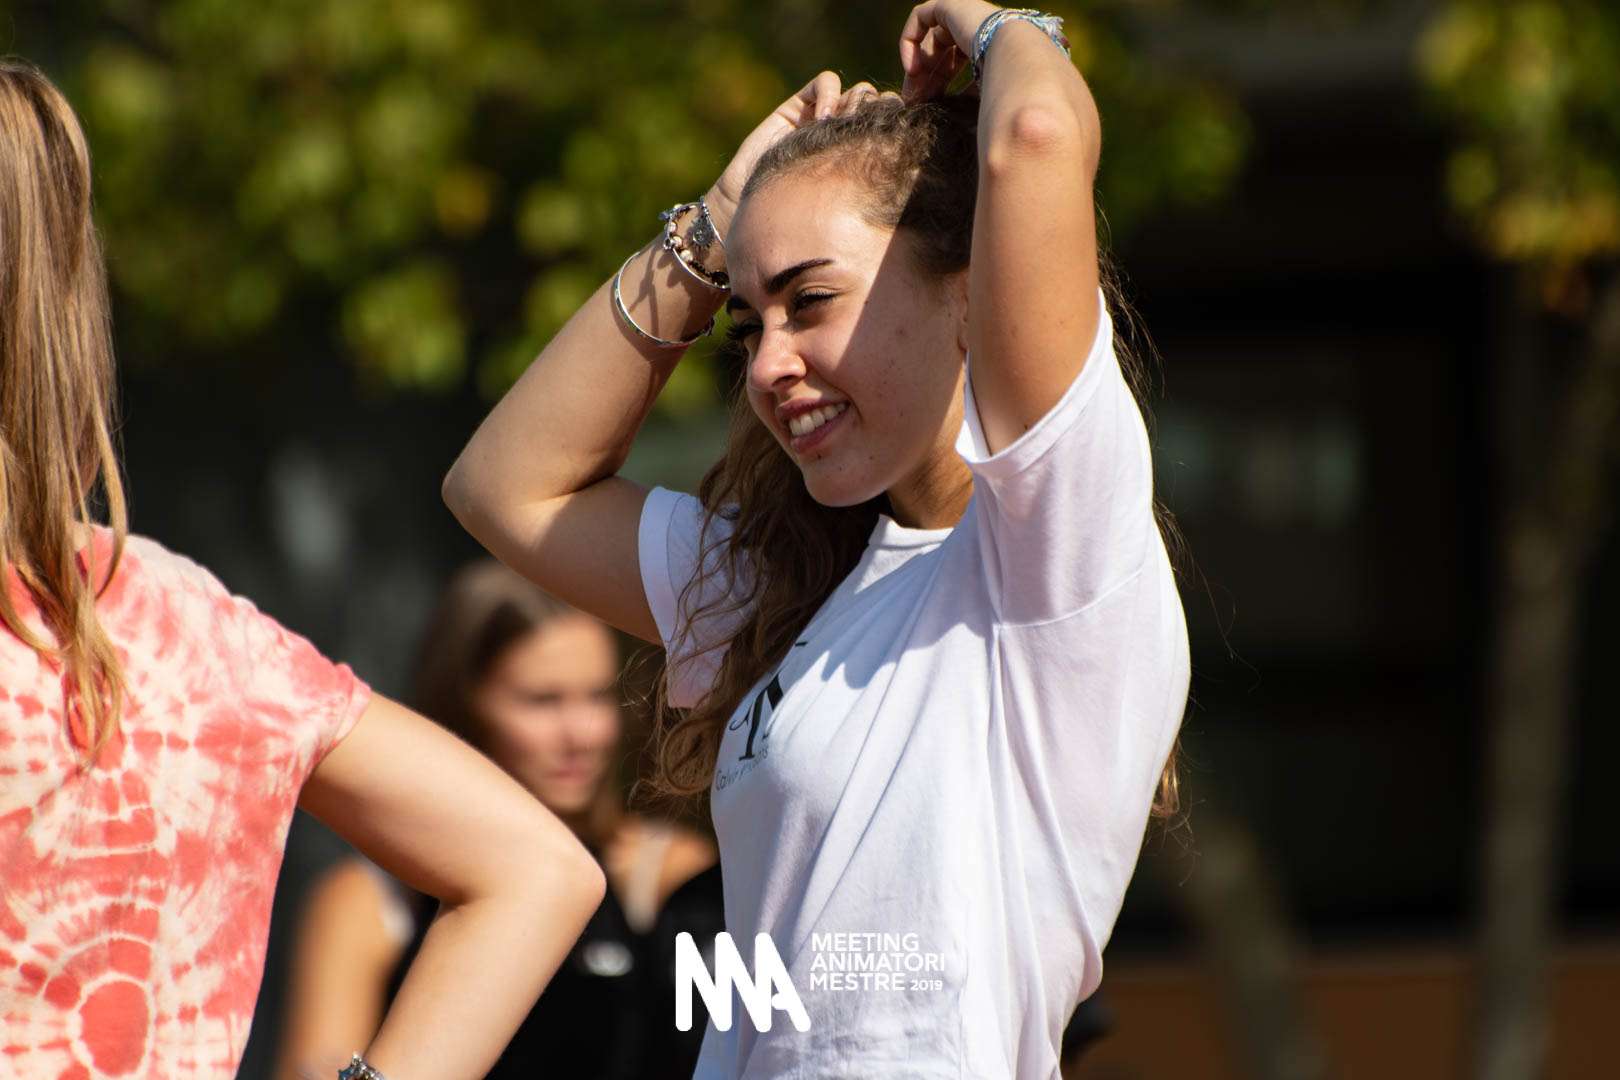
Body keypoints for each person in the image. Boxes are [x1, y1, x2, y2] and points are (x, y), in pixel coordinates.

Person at [444, 1, 1190, 1075]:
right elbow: (503, 486)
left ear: (970, 296)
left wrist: (995, 24)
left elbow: (1034, 136)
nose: (766, 366)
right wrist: (712, 227)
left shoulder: (1052, 563)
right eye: (751, 324)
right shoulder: (787, 591)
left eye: (812, 301)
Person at [0, 60, 606, 1080]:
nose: (580, 728)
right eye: (545, 698)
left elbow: (537, 871)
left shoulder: (173, 622)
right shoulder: (183, 629)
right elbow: (535, 869)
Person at [277, 561, 724, 1079]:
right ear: (465, 703)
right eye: (543, 701)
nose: (582, 734)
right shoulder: (373, 899)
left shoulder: (665, 874)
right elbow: (314, 1064)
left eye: (599, 695)